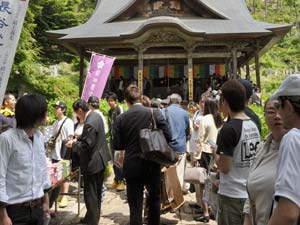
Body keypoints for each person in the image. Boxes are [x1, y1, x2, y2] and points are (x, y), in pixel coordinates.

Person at [113, 85, 171, 225]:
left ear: (126, 100)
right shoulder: (155, 112)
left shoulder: (121, 118)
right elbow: (169, 136)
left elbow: (118, 145)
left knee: (135, 204)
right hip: (152, 162)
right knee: (154, 199)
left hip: (132, 164)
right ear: (140, 97)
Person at [212, 80, 261, 225]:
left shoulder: (228, 129)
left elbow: (225, 168)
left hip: (231, 194)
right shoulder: (253, 124)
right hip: (250, 193)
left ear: (225, 102)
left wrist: (215, 155)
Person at [0, 94, 51, 225]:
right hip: (15, 212)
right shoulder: (7, 139)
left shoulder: (39, 137)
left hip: (38, 208)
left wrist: (46, 202)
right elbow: (0, 176)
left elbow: (42, 170)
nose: (47, 113)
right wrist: (3, 216)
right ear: (34, 115)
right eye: (44, 111)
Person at [66, 99, 110, 225]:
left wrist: (72, 145)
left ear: (80, 111)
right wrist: (77, 139)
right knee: (96, 191)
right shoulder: (96, 115)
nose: (77, 117)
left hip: (93, 162)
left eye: (77, 114)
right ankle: (92, 217)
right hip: (100, 159)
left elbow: (87, 145)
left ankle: (91, 221)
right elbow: (91, 137)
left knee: (90, 192)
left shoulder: (89, 122)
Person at [243, 99, 287, 225]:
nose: (277, 116)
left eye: (280, 109)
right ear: (265, 116)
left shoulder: (293, 149)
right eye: (271, 111)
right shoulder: (263, 147)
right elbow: (251, 196)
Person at [267, 74, 300, 225]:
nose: (278, 114)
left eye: (279, 107)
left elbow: (287, 212)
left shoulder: (293, 138)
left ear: (288, 106)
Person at [193, 98, 222, 223]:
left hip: (204, 152)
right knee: (214, 181)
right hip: (216, 153)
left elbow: (199, 139)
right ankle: (212, 210)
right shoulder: (220, 119)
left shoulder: (205, 119)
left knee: (203, 183)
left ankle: (205, 212)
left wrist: (195, 156)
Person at [48, 101, 74, 209]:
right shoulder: (55, 122)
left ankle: (65, 196)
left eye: (57, 108)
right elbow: (52, 136)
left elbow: (70, 137)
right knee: (57, 176)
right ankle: (59, 194)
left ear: (63, 109)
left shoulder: (68, 122)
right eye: (55, 108)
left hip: (63, 152)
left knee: (65, 175)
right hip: (55, 152)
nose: (55, 109)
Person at [162, 93, 190, 190]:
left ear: (169, 101)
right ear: (179, 102)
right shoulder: (185, 113)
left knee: (168, 170)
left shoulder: (164, 111)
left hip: (167, 147)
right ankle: (178, 195)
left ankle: (169, 192)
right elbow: (187, 131)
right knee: (180, 171)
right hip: (180, 146)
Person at [106, 92, 125, 191]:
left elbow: (122, 123)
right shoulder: (109, 111)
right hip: (113, 139)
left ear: (116, 101)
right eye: (108, 101)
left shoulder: (119, 109)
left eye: (111, 100)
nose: (110, 102)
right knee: (114, 160)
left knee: (119, 160)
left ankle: (121, 181)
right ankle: (117, 179)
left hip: (120, 139)